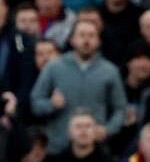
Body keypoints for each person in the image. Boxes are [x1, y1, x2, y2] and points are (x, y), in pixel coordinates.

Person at [29, 19, 126, 154]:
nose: (86, 40)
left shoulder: (110, 71)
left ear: (98, 41)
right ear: (72, 40)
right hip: (58, 147)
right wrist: (51, 105)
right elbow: (35, 102)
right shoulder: (54, 67)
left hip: (95, 148)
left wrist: (108, 129)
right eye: (82, 35)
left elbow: (120, 109)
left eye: (91, 35)